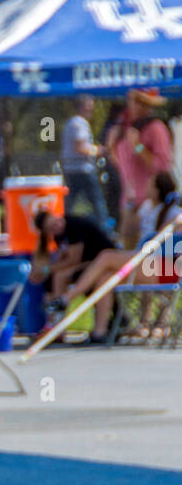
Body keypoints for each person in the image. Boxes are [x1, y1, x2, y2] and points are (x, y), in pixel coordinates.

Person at [47, 172, 182, 343]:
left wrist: (174, 225)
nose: (145, 188)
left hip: (166, 269)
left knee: (106, 257)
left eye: (149, 185)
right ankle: (99, 332)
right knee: (106, 276)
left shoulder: (175, 213)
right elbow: (127, 234)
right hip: (144, 262)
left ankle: (67, 298)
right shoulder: (147, 208)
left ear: (157, 190)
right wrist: (129, 206)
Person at [32, 210, 118, 343]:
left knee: (60, 276)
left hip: (101, 263)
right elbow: (63, 258)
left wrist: (46, 269)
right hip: (88, 264)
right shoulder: (59, 235)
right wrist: (45, 271)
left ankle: (61, 309)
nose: (58, 226)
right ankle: (55, 323)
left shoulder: (72, 225)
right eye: (52, 228)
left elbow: (73, 260)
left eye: (57, 222)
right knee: (54, 278)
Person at [106, 88, 173, 249]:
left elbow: (162, 166)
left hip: (150, 203)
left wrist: (138, 147)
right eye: (135, 101)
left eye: (143, 103)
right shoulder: (123, 127)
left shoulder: (155, 127)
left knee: (145, 254)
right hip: (128, 202)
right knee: (127, 250)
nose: (138, 106)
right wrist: (111, 147)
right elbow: (121, 165)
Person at [60, 95, 112, 232]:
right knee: (98, 204)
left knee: (69, 205)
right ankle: (106, 232)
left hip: (71, 169)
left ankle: (63, 228)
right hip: (82, 169)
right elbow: (80, 146)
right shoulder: (79, 123)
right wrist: (98, 150)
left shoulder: (71, 122)